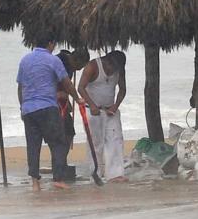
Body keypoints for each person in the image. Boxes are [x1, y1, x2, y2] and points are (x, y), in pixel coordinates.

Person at [17, 39, 85, 192]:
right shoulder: (53, 60)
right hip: (47, 107)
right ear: (50, 43)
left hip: (28, 109)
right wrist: (77, 98)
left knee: (33, 146)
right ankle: (58, 179)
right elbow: (67, 83)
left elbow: (20, 87)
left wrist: (22, 107)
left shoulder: (24, 60)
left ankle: (35, 183)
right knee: (59, 142)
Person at [78, 50, 127, 183]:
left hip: (110, 110)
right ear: (107, 61)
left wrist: (115, 106)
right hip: (93, 110)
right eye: (111, 68)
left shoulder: (119, 69)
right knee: (95, 144)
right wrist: (92, 105)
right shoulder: (92, 66)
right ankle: (96, 173)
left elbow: (122, 89)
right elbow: (81, 87)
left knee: (115, 140)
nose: (113, 71)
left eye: (116, 69)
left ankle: (115, 174)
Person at [52, 49, 91, 164]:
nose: (78, 69)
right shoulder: (58, 62)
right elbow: (47, 82)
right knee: (60, 134)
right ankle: (58, 163)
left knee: (69, 132)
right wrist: (58, 95)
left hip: (61, 103)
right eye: (79, 66)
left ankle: (61, 161)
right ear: (74, 59)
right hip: (50, 102)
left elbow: (66, 85)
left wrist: (68, 100)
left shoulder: (70, 66)